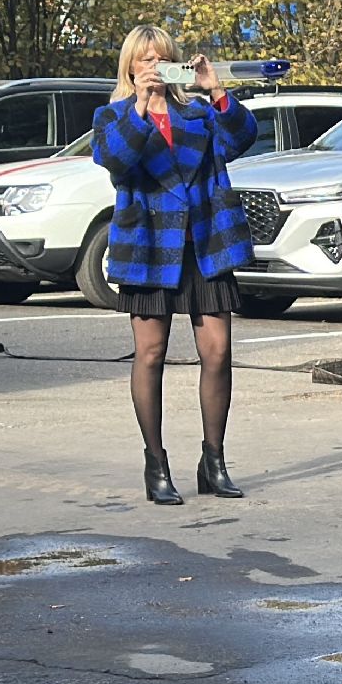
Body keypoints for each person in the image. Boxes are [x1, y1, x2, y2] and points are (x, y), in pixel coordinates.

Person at [91, 25, 259, 506]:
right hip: (148, 247)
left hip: (205, 243)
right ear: (130, 67)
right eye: (145, 60)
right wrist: (142, 106)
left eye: (162, 59)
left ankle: (214, 460)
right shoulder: (113, 116)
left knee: (218, 351)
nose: (153, 67)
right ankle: (156, 463)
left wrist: (217, 89)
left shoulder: (198, 115)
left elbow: (242, 139)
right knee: (150, 354)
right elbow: (117, 162)